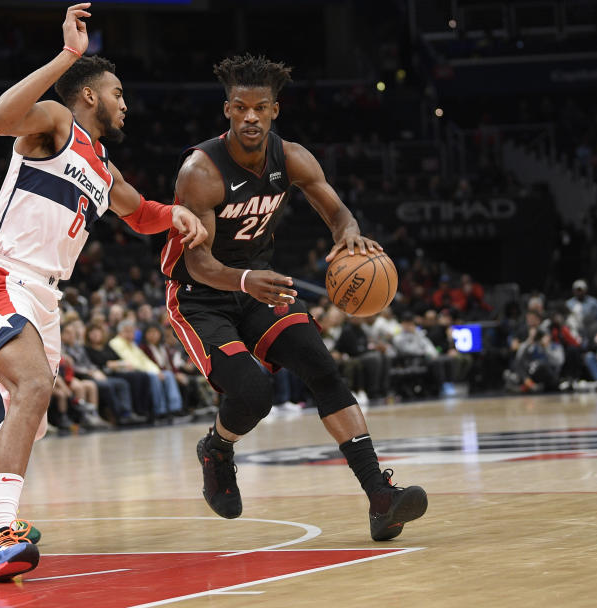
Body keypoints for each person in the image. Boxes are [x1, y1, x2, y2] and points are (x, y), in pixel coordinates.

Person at [0, 3, 206, 582]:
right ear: (89, 95)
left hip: (48, 296)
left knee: (33, 415)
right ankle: (0, 537)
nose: (125, 102)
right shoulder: (55, 124)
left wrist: (178, 216)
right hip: (2, 275)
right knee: (35, 388)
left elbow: (139, 213)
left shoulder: (102, 163)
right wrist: (70, 56)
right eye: (117, 91)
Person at [161, 54, 425, 541]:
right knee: (253, 393)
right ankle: (218, 449)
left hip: (257, 284)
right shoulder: (200, 170)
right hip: (201, 296)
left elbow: (339, 213)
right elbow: (198, 263)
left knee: (322, 368)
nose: (250, 118)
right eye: (240, 108)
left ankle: (380, 497)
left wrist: (350, 236)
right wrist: (243, 280)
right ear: (227, 111)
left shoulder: (294, 158)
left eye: (260, 108)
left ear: (275, 110)